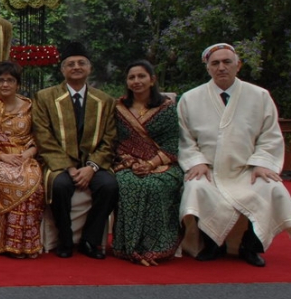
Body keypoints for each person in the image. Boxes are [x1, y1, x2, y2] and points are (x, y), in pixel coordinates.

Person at [177, 43, 291, 267]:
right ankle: (211, 244)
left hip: (246, 170)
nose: (221, 67)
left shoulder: (260, 96)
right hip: (209, 170)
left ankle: (250, 246)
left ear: (238, 65)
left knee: (272, 188)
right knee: (196, 187)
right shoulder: (190, 98)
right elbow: (185, 138)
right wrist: (196, 162)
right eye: (215, 63)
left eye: (227, 62)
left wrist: (262, 163)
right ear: (208, 68)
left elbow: (270, 136)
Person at [32, 41, 118, 259]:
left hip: (93, 164)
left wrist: (91, 167)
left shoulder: (105, 101)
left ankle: (90, 240)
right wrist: (69, 167)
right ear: (63, 69)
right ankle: (65, 238)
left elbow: (110, 138)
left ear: (89, 68)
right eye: (71, 64)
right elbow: (44, 137)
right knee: (59, 186)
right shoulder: (45, 97)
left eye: (81, 63)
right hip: (60, 163)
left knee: (109, 186)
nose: (76, 67)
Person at [111, 60, 183, 266]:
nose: (136, 81)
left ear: (152, 80)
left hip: (162, 164)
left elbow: (172, 144)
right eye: (131, 77)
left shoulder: (167, 109)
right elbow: (115, 143)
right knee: (128, 184)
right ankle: (128, 246)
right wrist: (132, 163)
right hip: (127, 164)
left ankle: (156, 247)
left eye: (141, 76)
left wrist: (151, 164)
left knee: (156, 185)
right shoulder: (119, 108)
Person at [0, 60, 45, 258]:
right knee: (13, 181)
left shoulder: (30, 106)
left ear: (18, 83)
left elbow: (39, 136)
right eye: (1, 80)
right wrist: (3, 156)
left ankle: (28, 244)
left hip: (26, 156)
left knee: (34, 184)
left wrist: (27, 154)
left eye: (10, 80)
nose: (5, 84)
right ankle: (8, 244)